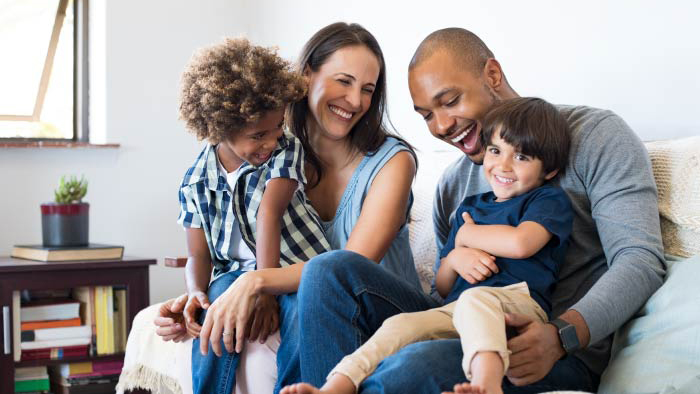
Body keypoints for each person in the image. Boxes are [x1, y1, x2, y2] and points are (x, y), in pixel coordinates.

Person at [292, 27, 666, 393]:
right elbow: (445, 290)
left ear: (492, 74)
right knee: (329, 271)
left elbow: (640, 259)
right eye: (426, 115)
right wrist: (456, 258)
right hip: (462, 323)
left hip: (548, 348)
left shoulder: (595, 135)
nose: (441, 126)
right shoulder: (454, 184)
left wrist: (561, 336)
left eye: (451, 101)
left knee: (412, 365)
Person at [154, 22, 422, 394]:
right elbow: (236, 242)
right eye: (343, 81)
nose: (357, 101)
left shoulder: (392, 162)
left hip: (381, 309)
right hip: (308, 298)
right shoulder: (268, 151)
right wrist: (203, 298)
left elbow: (343, 271)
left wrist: (256, 282)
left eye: (367, 89)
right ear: (306, 75)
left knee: (319, 285)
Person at [282, 96, 573, 394]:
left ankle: (486, 385)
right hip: (458, 308)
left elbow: (522, 243)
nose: (503, 165)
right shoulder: (470, 207)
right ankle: (333, 387)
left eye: (522, 157)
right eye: (496, 151)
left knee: (477, 301)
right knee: (399, 326)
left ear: (548, 171)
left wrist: (465, 237)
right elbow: (444, 285)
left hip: (516, 305)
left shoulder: (546, 200)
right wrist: (455, 259)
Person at [175, 37, 332, 393]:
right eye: (258, 135)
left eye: (277, 127)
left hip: (295, 268)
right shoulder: (195, 181)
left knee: (300, 312)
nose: (272, 141)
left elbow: (269, 215)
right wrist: (195, 292)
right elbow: (198, 254)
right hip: (235, 275)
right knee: (215, 309)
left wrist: (263, 289)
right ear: (219, 128)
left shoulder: (285, 150)